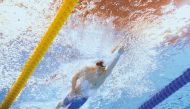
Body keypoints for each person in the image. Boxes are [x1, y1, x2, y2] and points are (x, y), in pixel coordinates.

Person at [56, 45, 124, 109]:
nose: (99, 71)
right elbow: (74, 77)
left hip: (82, 98)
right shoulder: (88, 69)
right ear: (96, 65)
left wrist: (118, 54)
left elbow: (112, 64)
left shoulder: (104, 75)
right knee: (62, 104)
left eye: (102, 68)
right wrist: (72, 90)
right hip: (75, 92)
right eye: (98, 67)